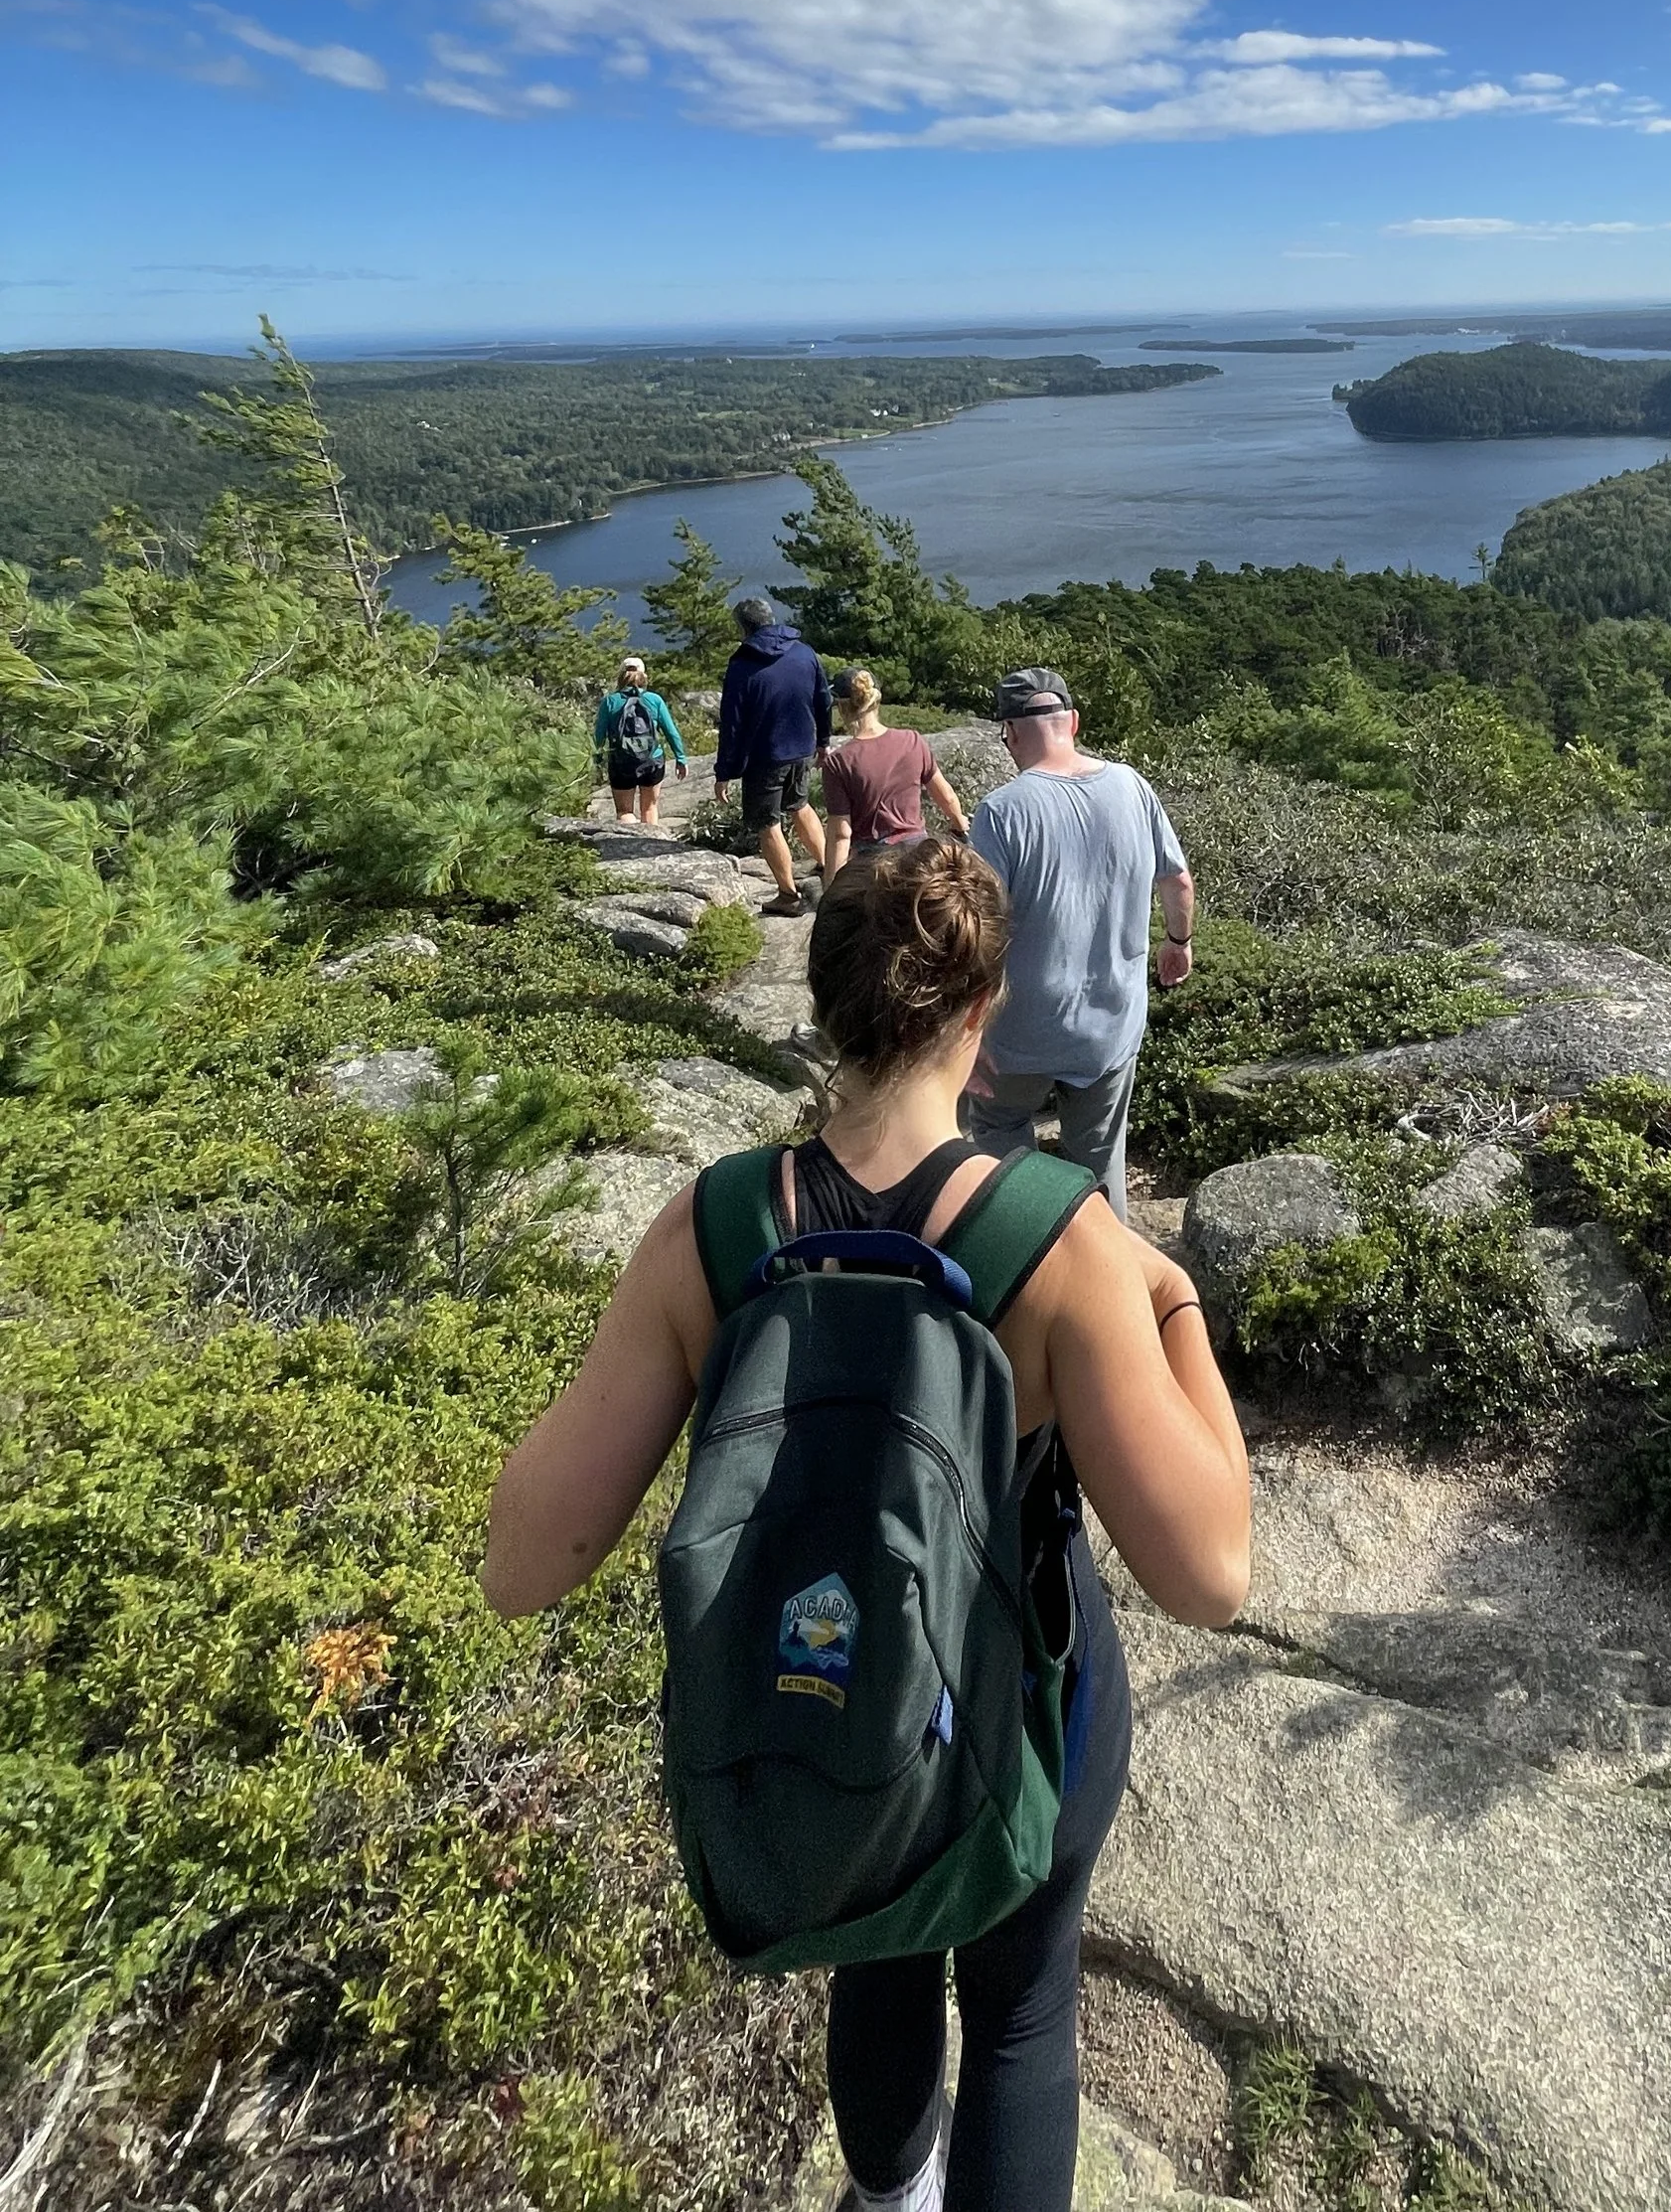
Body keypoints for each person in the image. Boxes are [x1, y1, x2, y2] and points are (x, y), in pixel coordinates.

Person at [481, 841, 1250, 2212]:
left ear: (827, 1004)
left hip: (813, 1690)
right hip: (1017, 1692)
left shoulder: (712, 1225)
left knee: (880, 1945)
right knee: (1020, 2010)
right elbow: (1209, 1572)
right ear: (982, 1008)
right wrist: (1173, 1299)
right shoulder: (1058, 1239)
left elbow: (522, 1562)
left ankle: (889, 2194)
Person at [965, 666, 1193, 1221]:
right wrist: (1178, 941)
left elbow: (976, 932)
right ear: (1072, 721)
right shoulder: (1132, 786)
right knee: (1097, 1157)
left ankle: (1017, 1259)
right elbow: (1178, 881)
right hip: (1108, 1029)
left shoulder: (1001, 812)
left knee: (999, 1139)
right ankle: (1103, 1269)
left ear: (1010, 734)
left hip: (1018, 1031)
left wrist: (963, 1031)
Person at [715, 594, 835, 915]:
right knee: (800, 805)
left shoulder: (742, 665)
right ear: (771, 618)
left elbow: (733, 722)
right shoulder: (803, 653)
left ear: (743, 627)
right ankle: (830, 870)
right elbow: (823, 700)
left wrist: (724, 771)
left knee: (768, 823)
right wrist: (823, 741)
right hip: (802, 749)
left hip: (764, 757)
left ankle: (789, 894)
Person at [815, 665, 973, 876]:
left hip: (873, 864)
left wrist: (831, 885)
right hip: (917, 857)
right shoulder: (913, 740)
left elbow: (840, 834)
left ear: (842, 708)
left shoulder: (839, 762)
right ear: (876, 702)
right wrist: (959, 824)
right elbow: (946, 796)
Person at [591, 655, 688, 826]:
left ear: (621, 676)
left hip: (621, 761)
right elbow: (671, 732)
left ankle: (626, 846)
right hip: (652, 760)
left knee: (624, 811)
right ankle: (650, 845)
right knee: (650, 808)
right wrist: (680, 758)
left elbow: (599, 737)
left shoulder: (610, 702)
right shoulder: (654, 700)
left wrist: (597, 761)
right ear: (644, 676)